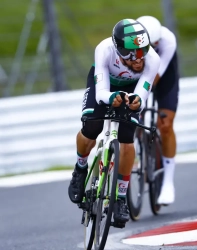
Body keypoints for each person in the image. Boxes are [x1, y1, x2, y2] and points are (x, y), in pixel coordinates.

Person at [68, 18, 160, 225]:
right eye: (131, 53)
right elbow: (101, 91)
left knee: (127, 138)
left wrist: (137, 101)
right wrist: (110, 97)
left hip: (131, 87)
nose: (138, 59)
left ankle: (120, 197)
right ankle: (80, 168)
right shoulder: (105, 49)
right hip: (104, 85)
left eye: (142, 51)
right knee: (92, 127)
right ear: (118, 49)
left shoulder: (152, 59)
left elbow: (142, 93)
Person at [136, 16, 179, 205]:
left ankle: (168, 181)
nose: (152, 49)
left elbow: (155, 77)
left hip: (163, 73)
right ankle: (140, 148)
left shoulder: (168, 40)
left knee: (165, 124)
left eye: (156, 45)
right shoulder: (130, 39)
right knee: (131, 117)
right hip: (136, 69)